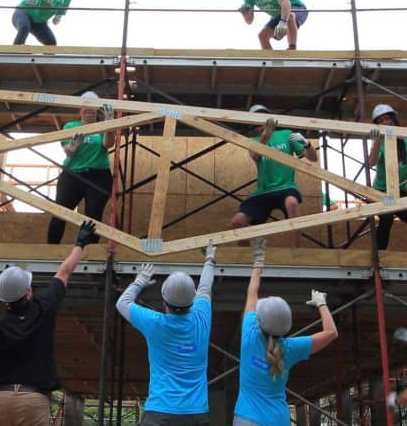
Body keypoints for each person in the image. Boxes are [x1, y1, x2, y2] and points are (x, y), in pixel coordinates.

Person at [0, 221, 99, 426]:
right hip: (33, 399)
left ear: (3, 299)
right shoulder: (44, 307)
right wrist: (80, 243)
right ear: (28, 291)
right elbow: (64, 271)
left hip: (0, 400)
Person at [233, 239, 338, 426]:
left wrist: (258, 261)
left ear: (260, 320)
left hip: (246, 419)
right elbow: (331, 333)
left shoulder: (249, 334)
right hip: (278, 420)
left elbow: (252, 294)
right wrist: (321, 303)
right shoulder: (290, 349)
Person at [115, 245, 217, 425]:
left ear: (164, 300)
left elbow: (122, 303)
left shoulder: (155, 323)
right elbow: (205, 287)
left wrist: (140, 280)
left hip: (159, 413)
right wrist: (209, 259)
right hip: (196, 415)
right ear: (192, 300)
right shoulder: (202, 318)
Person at [230, 105, 318, 248]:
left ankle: (296, 251)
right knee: (237, 222)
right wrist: (265, 137)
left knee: (292, 203)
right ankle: (245, 256)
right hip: (263, 191)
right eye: (257, 118)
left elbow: (313, 158)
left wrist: (307, 144)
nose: (262, 121)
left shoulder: (286, 134)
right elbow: (254, 155)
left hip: (285, 187)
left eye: (264, 117)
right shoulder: (254, 141)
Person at [46, 91, 116, 244]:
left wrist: (110, 122)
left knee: (93, 216)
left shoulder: (103, 126)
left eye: (92, 109)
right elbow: (69, 153)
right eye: (86, 108)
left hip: (98, 176)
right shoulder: (71, 126)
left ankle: (87, 250)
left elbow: (108, 144)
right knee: (60, 212)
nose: (89, 111)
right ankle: (51, 248)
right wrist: (74, 144)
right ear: (80, 110)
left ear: (97, 111)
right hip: (73, 175)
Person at [368, 104, 407, 252]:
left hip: (400, 191)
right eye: (381, 121)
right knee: (386, 219)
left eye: (387, 118)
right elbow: (371, 162)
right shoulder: (380, 142)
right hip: (382, 192)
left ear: (394, 120)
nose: (386, 123)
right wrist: (375, 142)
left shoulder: (406, 141)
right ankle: (379, 256)